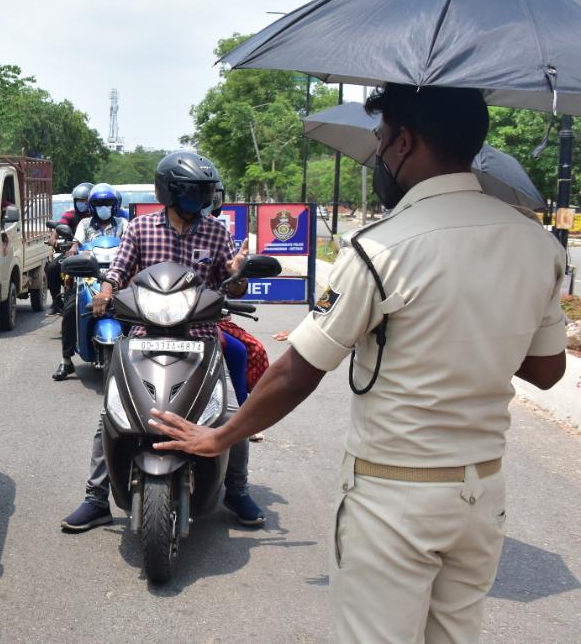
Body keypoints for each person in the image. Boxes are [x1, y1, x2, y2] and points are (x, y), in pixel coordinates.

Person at [147, 85, 567, 643]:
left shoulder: (381, 247)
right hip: (482, 494)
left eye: (381, 139)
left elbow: (298, 371)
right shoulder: (537, 244)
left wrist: (219, 437)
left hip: (395, 495)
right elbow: (546, 371)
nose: (378, 155)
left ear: (405, 142)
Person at [60, 152, 258, 532]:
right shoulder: (140, 228)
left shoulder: (216, 232)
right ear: (170, 191)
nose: (201, 199)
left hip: (201, 337)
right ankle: (96, 498)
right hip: (145, 334)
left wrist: (237, 275)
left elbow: (232, 284)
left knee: (229, 413)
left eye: (204, 192)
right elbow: (119, 271)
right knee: (113, 414)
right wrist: (105, 292)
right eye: (193, 192)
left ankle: (236, 489)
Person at [54, 183, 128, 380]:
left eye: (108, 203)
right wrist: (73, 250)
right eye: (99, 204)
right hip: (89, 274)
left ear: (115, 205)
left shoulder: (123, 224)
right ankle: (66, 360)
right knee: (70, 310)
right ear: (92, 206)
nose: (103, 207)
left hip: (118, 274)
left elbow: (132, 244)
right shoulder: (84, 224)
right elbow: (76, 244)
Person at [46, 182, 92, 315]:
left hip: (93, 253)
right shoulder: (70, 215)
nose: (81, 203)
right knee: (52, 268)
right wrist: (53, 238)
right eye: (78, 200)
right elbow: (60, 227)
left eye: (84, 200)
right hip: (72, 252)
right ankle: (56, 302)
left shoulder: (96, 217)